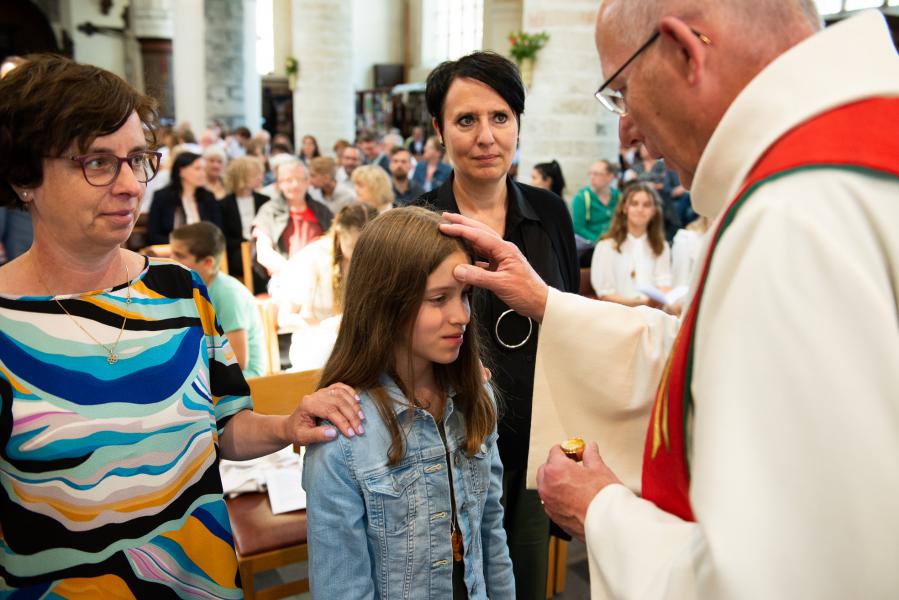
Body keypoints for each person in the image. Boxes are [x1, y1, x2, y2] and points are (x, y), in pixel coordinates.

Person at [439, 3, 899, 599]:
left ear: (687, 50)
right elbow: (712, 362)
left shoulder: (793, 215)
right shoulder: (844, 160)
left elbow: (786, 579)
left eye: (622, 93)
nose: (628, 131)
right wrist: (550, 303)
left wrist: (601, 510)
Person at [0, 54, 364, 596]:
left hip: (201, 584)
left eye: (137, 159)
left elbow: (225, 426)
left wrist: (287, 425)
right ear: (25, 176)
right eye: (98, 162)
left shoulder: (179, 290)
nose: (130, 185)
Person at [413, 50, 579, 600]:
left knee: (527, 578)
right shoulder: (414, 221)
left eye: (500, 117)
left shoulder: (549, 211)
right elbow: (395, 336)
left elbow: (569, 314)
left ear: (518, 126)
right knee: (456, 581)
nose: (486, 136)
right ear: (439, 130)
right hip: (450, 439)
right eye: (466, 120)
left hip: (535, 436)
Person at [303, 206, 515, 599]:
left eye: (465, 295)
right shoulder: (345, 433)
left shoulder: (475, 397)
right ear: (387, 304)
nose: (461, 316)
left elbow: (490, 533)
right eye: (438, 299)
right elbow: (341, 587)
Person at [277, 203, 378, 370]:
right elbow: (285, 318)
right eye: (355, 247)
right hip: (317, 343)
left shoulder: (377, 259)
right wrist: (326, 327)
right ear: (339, 234)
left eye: (369, 248)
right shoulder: (310, 259)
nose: (363, 255)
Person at [170, 222, 266, 378]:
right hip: (216, 376)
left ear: (208, 262)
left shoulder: (227, 294)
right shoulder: (196, 288)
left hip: (245, 383)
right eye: (172, 254)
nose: (172, 260)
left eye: (179, 256)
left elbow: (237, 361)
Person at [590, 182, 671, 307]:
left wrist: (660, 300)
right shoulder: (606, 246)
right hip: (620, 315)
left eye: (646, 205)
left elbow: (664, 284)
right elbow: (605, 295)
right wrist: (642, 303)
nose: (640, 209)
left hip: (654, 314)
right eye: (634, 204)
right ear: (624, 208)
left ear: (654, 211)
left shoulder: (661, 246)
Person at [253, 158, 332, 282]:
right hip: (284, 277)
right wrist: (292, 273)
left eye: (301, 179)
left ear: (308, 182)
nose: (295, 185)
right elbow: (264, 253)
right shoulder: (269, 211)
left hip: (319, 277)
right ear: (279, 184)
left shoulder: (322, 210)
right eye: (288, 180)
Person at [146, 151, 223, 245]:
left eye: (204, 169)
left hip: (203, 251)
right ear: (181, 171)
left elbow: (217, 232)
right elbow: (153, 235)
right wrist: (181, 244)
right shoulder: (162, 197)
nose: (203, 173)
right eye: (197, 169)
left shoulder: (208, 197)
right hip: (171, 252)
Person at [220, 155, 269, 292]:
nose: (260, 177)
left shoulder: (265, 200)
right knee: (246, 258)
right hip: (237, 251)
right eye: (255, 175)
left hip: (261, 246)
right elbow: (223, 237)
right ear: (242, 176)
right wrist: (246, 245)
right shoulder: (224, 204)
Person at [571, 159, 620, 244]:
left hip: (617, 242)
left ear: (610, 177)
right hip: (591, 245)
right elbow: (578, 228)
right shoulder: (581, 197)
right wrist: (600, 241)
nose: (592, 177)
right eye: (590, 173)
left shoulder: (619, 197)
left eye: (597, 174)